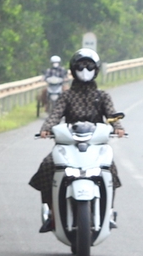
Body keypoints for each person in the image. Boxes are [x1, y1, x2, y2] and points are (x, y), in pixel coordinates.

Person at [30, 48, 125, 230]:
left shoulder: (102, 96)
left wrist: (118, 128)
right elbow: (54, 115)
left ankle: (108, 212)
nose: (85, 69)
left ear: (96, 69)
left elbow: (112, 116)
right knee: (47, 166)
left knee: (110, 168)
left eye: (89, 66)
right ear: (73, 70)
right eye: (81, 66)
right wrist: (46, 129)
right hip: (69, 145)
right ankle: (52, 213)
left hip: (96, 146)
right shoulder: (67, 96)